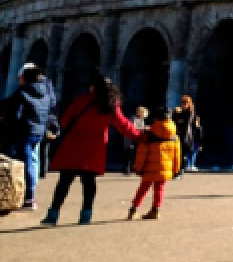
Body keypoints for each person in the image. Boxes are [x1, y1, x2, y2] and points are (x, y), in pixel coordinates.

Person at [41, 75, 141, 226]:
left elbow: (64, 121)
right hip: (94, 149)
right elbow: (123, 124)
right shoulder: (110, 104)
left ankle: (52, 215)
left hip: (73, 146)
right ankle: (85, 216)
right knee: (89, 183)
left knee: (64, 182)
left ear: (93, 87)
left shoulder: (80, 100)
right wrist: (141, 136)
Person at [2, 63, 56, 211]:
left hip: (24, 132)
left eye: (20, 77)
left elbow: (14, 111)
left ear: (25, 78)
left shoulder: (23, 92)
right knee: (33, 161)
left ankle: (28, 198)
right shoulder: (46, 92)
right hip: (38, 132)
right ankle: (30, 194)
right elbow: (49, 111)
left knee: (25, 164)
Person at [128, 107, 181, 221]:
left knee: (143, 189)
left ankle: (133, 210)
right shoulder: (174, 135)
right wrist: (176, 170)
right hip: (165, 168)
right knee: (160, 189)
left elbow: (142, 153)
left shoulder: (150, 134)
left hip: (149, 168)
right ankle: (155, 210)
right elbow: (177, 155)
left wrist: (138, 168)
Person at [171, 95, 195, 176]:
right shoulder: (178, 112)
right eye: (182, 103)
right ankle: (175, 171)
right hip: (177, 135)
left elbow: (186, 123)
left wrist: (179, 119)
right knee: (176, 154)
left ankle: (180, 171)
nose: (183, 105)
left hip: (185, 136)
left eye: (185, 103)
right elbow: (174, 121)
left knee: (183, 154)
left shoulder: (190, 112)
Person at [123, 107, 148, 176]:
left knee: (134, 155)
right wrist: (144, 128)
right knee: (129, 155)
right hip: (131, 140)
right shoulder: (133, 118)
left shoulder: (141, 119)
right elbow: (133, 128)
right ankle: (127, 170)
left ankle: (134, 168)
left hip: (136, 139)